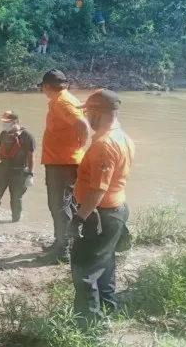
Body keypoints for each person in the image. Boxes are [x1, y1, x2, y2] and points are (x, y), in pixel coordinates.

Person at [70, 89, 135, 326]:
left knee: (83, 269)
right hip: (116, 209)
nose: (85, 117)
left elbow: (98, 189)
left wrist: (79, 218)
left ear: (96, 113)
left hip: (100, 215)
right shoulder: (123, 137)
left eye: (87, 112)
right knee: (105, 263)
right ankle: (108, 310)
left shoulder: (104, 144)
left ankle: (88, 327)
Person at [40, 69, 89, 263]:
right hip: (60, 160)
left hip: (63, 162)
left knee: (60, 206)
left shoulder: (63, 102)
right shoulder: (64, 99)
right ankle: (61, 241)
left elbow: (82, 125)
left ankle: (63, 251)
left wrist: (80, 145)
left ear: (45, 86)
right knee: (63, 204)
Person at [0, 111, 36, 225]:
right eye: (4, 122)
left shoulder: (27, 135)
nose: (4, 125)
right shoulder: (3, 134)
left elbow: (31, 156)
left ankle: (15, 222)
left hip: (19, 172)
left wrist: (30, 175)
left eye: (7, 122)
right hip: (3, 170)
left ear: (15, 122)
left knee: (16, 198)